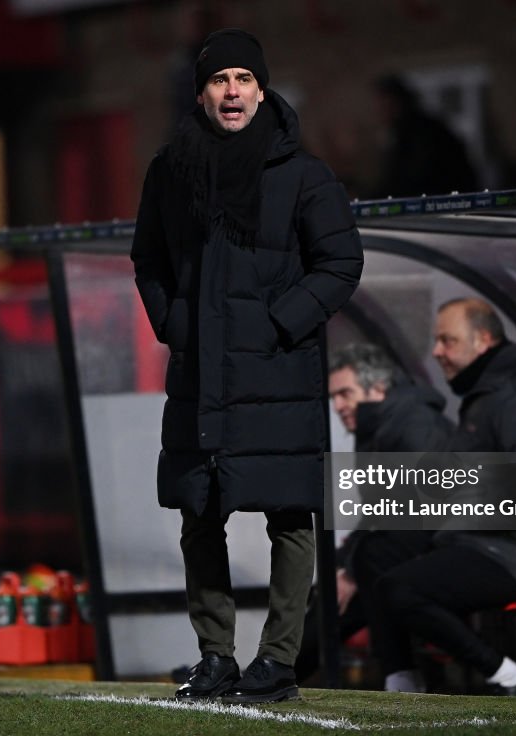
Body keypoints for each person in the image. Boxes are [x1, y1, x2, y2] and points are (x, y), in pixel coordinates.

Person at [131, 28, 363, 704]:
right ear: (201, 93)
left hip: (278, 375)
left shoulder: (305, 174)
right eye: (218, 80)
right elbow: (148, 261)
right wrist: (175, 324)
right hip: (201, 377)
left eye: (243, 79)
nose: (231, 91)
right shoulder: (171, 170)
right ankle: (216, 658)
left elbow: (341, 264)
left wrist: (278, 322)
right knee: (199, 514)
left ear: (262, 90)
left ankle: (277, 663)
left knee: (290, 516)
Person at [372, 298, 516, 694]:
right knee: (381, 571)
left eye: (447, 341)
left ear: (484, 340)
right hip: (489, 541)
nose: (436, 352)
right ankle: (400, 690)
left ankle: (511, 678)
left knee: (400, 587)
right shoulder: (489, 395)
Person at [294, 343, 453, 686]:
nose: (337, 406)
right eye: (333, 397)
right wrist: (341, 565)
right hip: (396, 551)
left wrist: (350, 570)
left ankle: (401, 675)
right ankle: (277, 670)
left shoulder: (414, 422)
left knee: (356, 584)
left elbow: (415, 506)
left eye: (345, 394)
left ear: (377, 387)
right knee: (335, 583)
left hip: (426, 550)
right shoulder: (378, 426)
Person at [367, 75, 477, 199]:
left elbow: (412, 180)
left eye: (383, 106)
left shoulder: (424, 133)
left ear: (397, 102)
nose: (378, 113)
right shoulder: (405, 132)